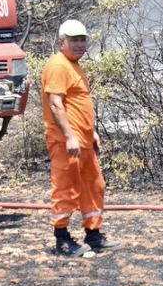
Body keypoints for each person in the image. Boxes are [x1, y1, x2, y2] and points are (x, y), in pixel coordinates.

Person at [42, 19, 121, 256]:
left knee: (93, 186)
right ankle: (62, 240)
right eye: (74, 40)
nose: (79, 44)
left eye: (82, 40)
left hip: (83, 141)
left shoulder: (74, 65)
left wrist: (90, 132)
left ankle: (94, 236)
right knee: (66, 189)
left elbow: (76, 103)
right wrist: (69, 136)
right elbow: (55, 104)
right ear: (61, 42)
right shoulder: (58, 65)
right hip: (67, 142)